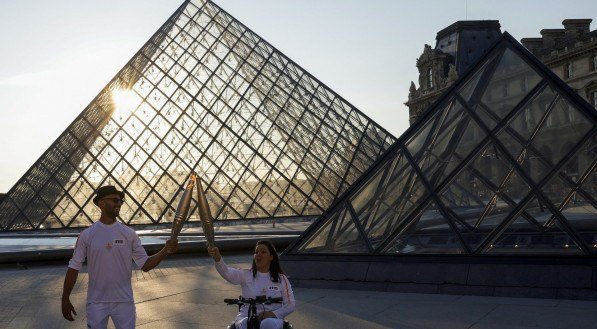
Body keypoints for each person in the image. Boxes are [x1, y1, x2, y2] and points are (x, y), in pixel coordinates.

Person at [61, 185, 178, 329]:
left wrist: (165, 250)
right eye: (115, 200)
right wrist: (65, 298)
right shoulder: (87, 235)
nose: (119, 204)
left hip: (124, 302)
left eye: (121, 201)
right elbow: (74, 267)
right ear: (101, 203)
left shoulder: (129, 234)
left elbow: (145, 265)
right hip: (96, 302)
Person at [208, 240, 295, 329]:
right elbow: (227, 273)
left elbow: (290, 305)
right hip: (246, 316)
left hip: (272, 319)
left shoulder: (281, 279)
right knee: (247, 322)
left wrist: (273, 314)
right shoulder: (246, 275)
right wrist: (217, 258)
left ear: (271, 257)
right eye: (256, 252)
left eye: (263, 252)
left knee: (267, 323)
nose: (258, 254)